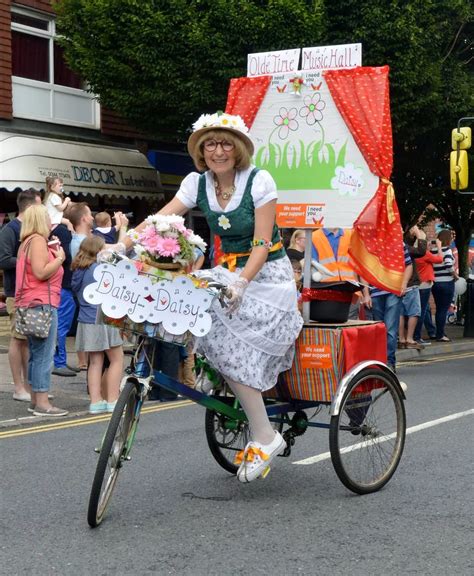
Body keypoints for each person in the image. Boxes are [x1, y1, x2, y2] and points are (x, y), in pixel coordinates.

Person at [127, 111, 303, 482]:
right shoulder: (197, 183)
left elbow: (260, 245)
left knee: (226, 338)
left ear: (237, 149)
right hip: (228, 270)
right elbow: (162, 219)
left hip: (268, 278)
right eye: (210, 144)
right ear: (201, 151)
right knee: (185, 296)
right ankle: (215, 369)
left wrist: (240, 284)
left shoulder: (258, 181)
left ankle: (266, 436)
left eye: (224, 143)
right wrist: (122, 242)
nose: (217, 150)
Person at [15, 204, 69, 417]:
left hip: (30, 303)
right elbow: (40, 272)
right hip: (42, 303)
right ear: (39, 219)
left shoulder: (26, 242)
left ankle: (35, 399)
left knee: (36, 354)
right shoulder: (38, 240)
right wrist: (59, 259)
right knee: (44, 356)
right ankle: (43, 403)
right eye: (47, 216)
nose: (49, 219)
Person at [71, 235, 122, 413]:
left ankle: (96, 402)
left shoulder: (79, 269)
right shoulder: (100, 269)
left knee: (95, 362)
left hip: (86, 319)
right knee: (117, 359)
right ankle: (113, 399)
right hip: (104, 318)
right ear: (98, 251)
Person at [0, 189, 42, 401]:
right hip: (15, 293)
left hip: (31, 293)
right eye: (40, 204)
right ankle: (19, 388)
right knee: (18, 339)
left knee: (27, 341)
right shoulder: (10, 229)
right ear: (30, 206)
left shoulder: (32, 230)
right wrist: (31, 261)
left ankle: (30, 387)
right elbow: (3, 259)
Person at [365, 244, 413, 372]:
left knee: (390, 329)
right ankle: (380, 362)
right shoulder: (370, 242)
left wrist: (403, 283)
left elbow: (408, 264)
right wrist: (366, 294)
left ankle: (389, 362)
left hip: (393, 290)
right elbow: (364, 270)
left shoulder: (398, 242)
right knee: (379, 330)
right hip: (375, 291)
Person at [398, 226, 427, 350]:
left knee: (400, 313)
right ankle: (409, 339)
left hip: (397, 284)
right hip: (410, 284)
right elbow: (421, 251)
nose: (403, 231)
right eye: (400, 229)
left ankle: (401, 339)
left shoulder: (390, 245)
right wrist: (421, 237)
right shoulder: (402, 246)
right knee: (414, 312)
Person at [414, 237, 443, 343]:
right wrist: (439, 247)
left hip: (418, 284)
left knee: (424, 310)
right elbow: (439, 259)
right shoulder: (425, 254)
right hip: (425, 285)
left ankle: (429, 331)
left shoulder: (414, 253)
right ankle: (417, 336)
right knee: (421, 312)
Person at [431, 229, 457, 342]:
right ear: (447, 238)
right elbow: (448, 264)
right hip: (447, 282)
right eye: (451, 237)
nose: (452, 239)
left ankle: (439, 332)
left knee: (439, 309)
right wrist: (455, 275)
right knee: (443, 309)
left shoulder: (433, 251)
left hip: (435, 283)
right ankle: (440, 334)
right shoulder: (447, 250)